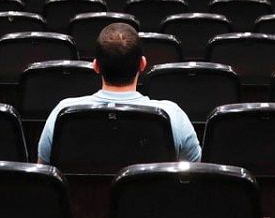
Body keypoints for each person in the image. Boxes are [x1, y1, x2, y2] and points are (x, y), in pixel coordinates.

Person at [37, 22, 201, 163]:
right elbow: (193, 176)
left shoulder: (63, 112)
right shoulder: (173, 114)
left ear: (95, 66)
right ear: (142, 64)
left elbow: (45, 174)